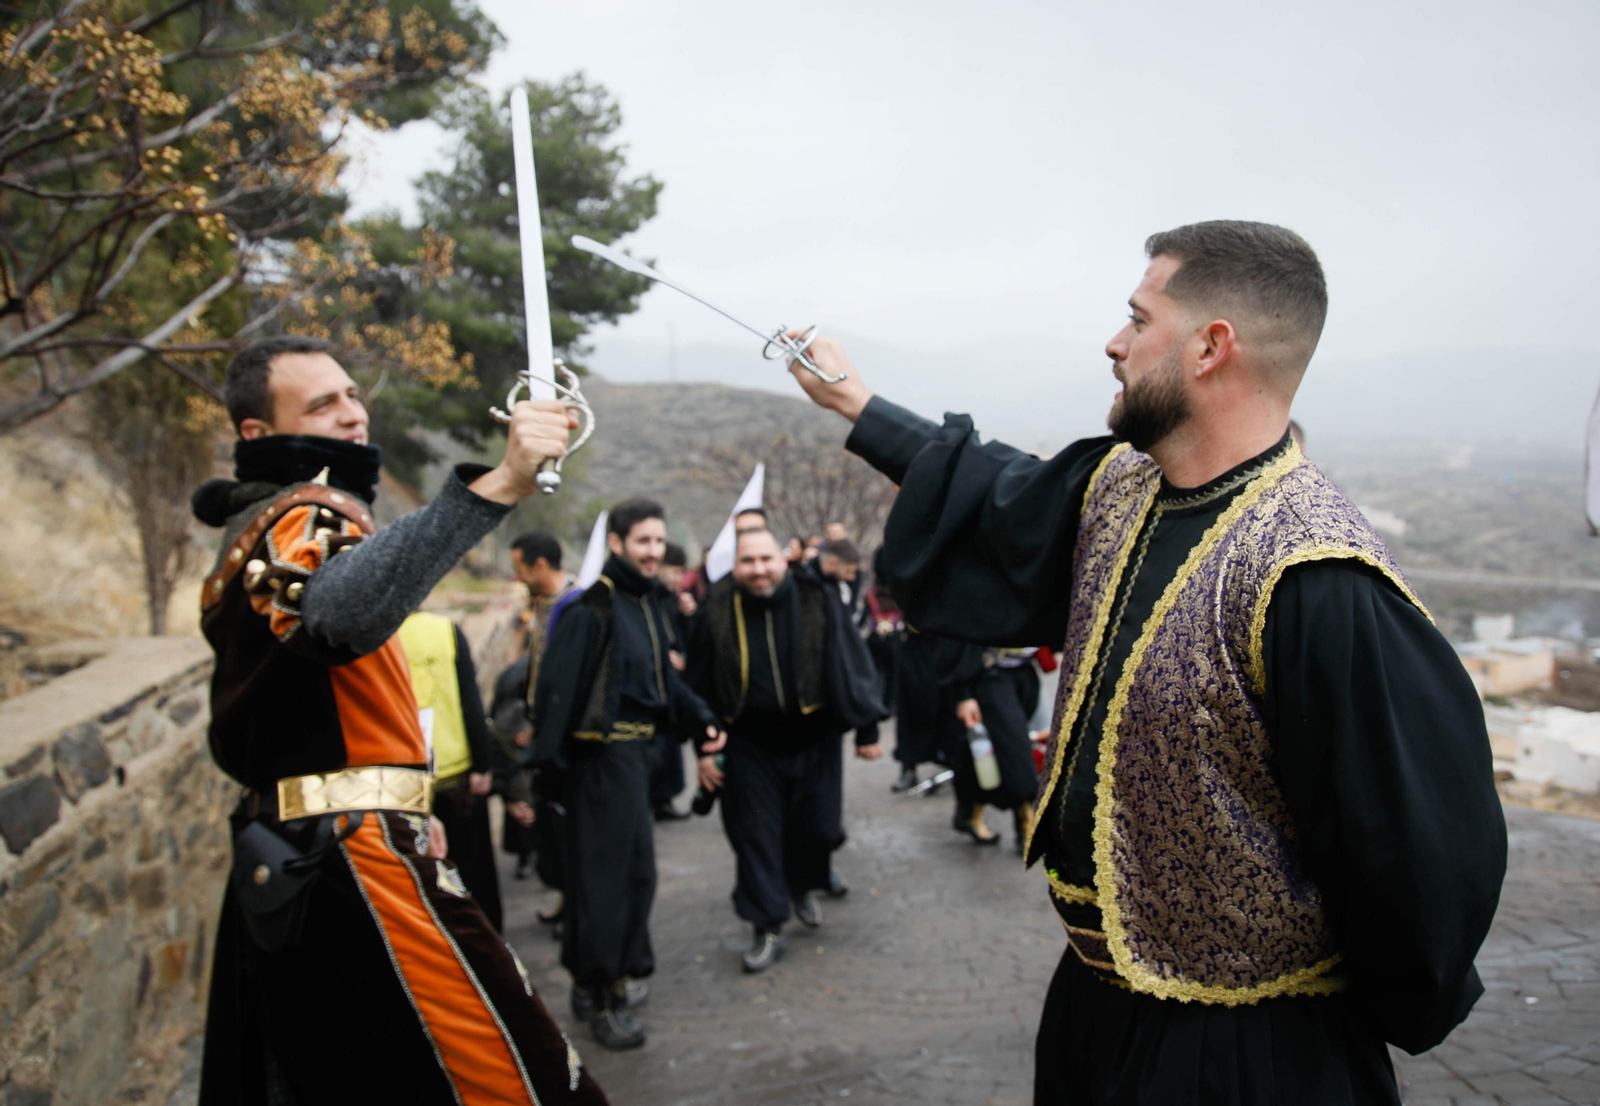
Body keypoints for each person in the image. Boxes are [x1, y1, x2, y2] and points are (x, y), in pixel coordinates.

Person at [786, 221, 1506, 1105]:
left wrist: (1347, 1019)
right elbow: (994, 491)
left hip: (1245, 1050)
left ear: (1211, 347)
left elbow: (1418, 849)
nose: (1113, 342)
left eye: (1137, 318)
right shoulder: (1120, 489)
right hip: (1095, 1010)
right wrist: (858, 402)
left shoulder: (1317, 579)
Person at [192, 334, 605, 1105]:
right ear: (259, 433)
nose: (353, 414)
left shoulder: (264, 524)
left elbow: (339, 691)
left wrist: (406, 790)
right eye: (322, 404)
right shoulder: (303, 508)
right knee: (521, 1077)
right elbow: (342, 614)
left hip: (324, 843)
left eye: (352, 395)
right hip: (349, 854)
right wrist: (504, 481)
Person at [529, 498, 726, 1050]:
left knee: (636, 880)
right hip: (598, 768)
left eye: (659, 542)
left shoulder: (648, 605)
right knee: (606, 887)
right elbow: (557, 695)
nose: (653, 552)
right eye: (643, 541)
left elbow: (664, 686)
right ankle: (601, 991)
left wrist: (702, 720)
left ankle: (603, 978)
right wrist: (546, 777)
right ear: (615, 543)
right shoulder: (592, 607)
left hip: (639, 764)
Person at [689, 528, 887, 972]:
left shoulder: (815, 597)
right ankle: (767, 924)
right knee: (755, 835)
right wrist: (704, 747)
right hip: (748, 742)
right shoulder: (718, 608)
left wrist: (867, 730)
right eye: (748, 562)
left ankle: (801, 883)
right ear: (735, 565)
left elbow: (851, 659)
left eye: (765, 559)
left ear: (781, 558)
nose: (758, 570)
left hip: (815, 737)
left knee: (818, 829)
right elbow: (698, 683)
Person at [397, 610, 505, 931]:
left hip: (407, 783)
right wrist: (482, 763)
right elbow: (470, 701)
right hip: (458, 776)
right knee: (475, 874)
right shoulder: (445, 630)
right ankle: (490, 943)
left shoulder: (375, 639)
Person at [510, 529, 582, 923]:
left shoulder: (577, 605)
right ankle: (565, 896)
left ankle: (576, 902)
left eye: (519, 568)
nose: (517, 577)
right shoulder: (542, 604)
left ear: (539, 565)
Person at [947, 646, 1041, 853]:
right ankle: (1025, 825)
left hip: (1023, 670)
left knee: (995, 748)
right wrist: (963, 692)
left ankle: (969, 812)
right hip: (989, 671)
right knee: (1016, 752)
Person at [650, 541, 693, 821]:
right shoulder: (649, 597)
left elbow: (680, 635)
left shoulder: (671, 598)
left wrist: (689, 617)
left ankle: (664, 800)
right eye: (673, 572)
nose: (677, 579)